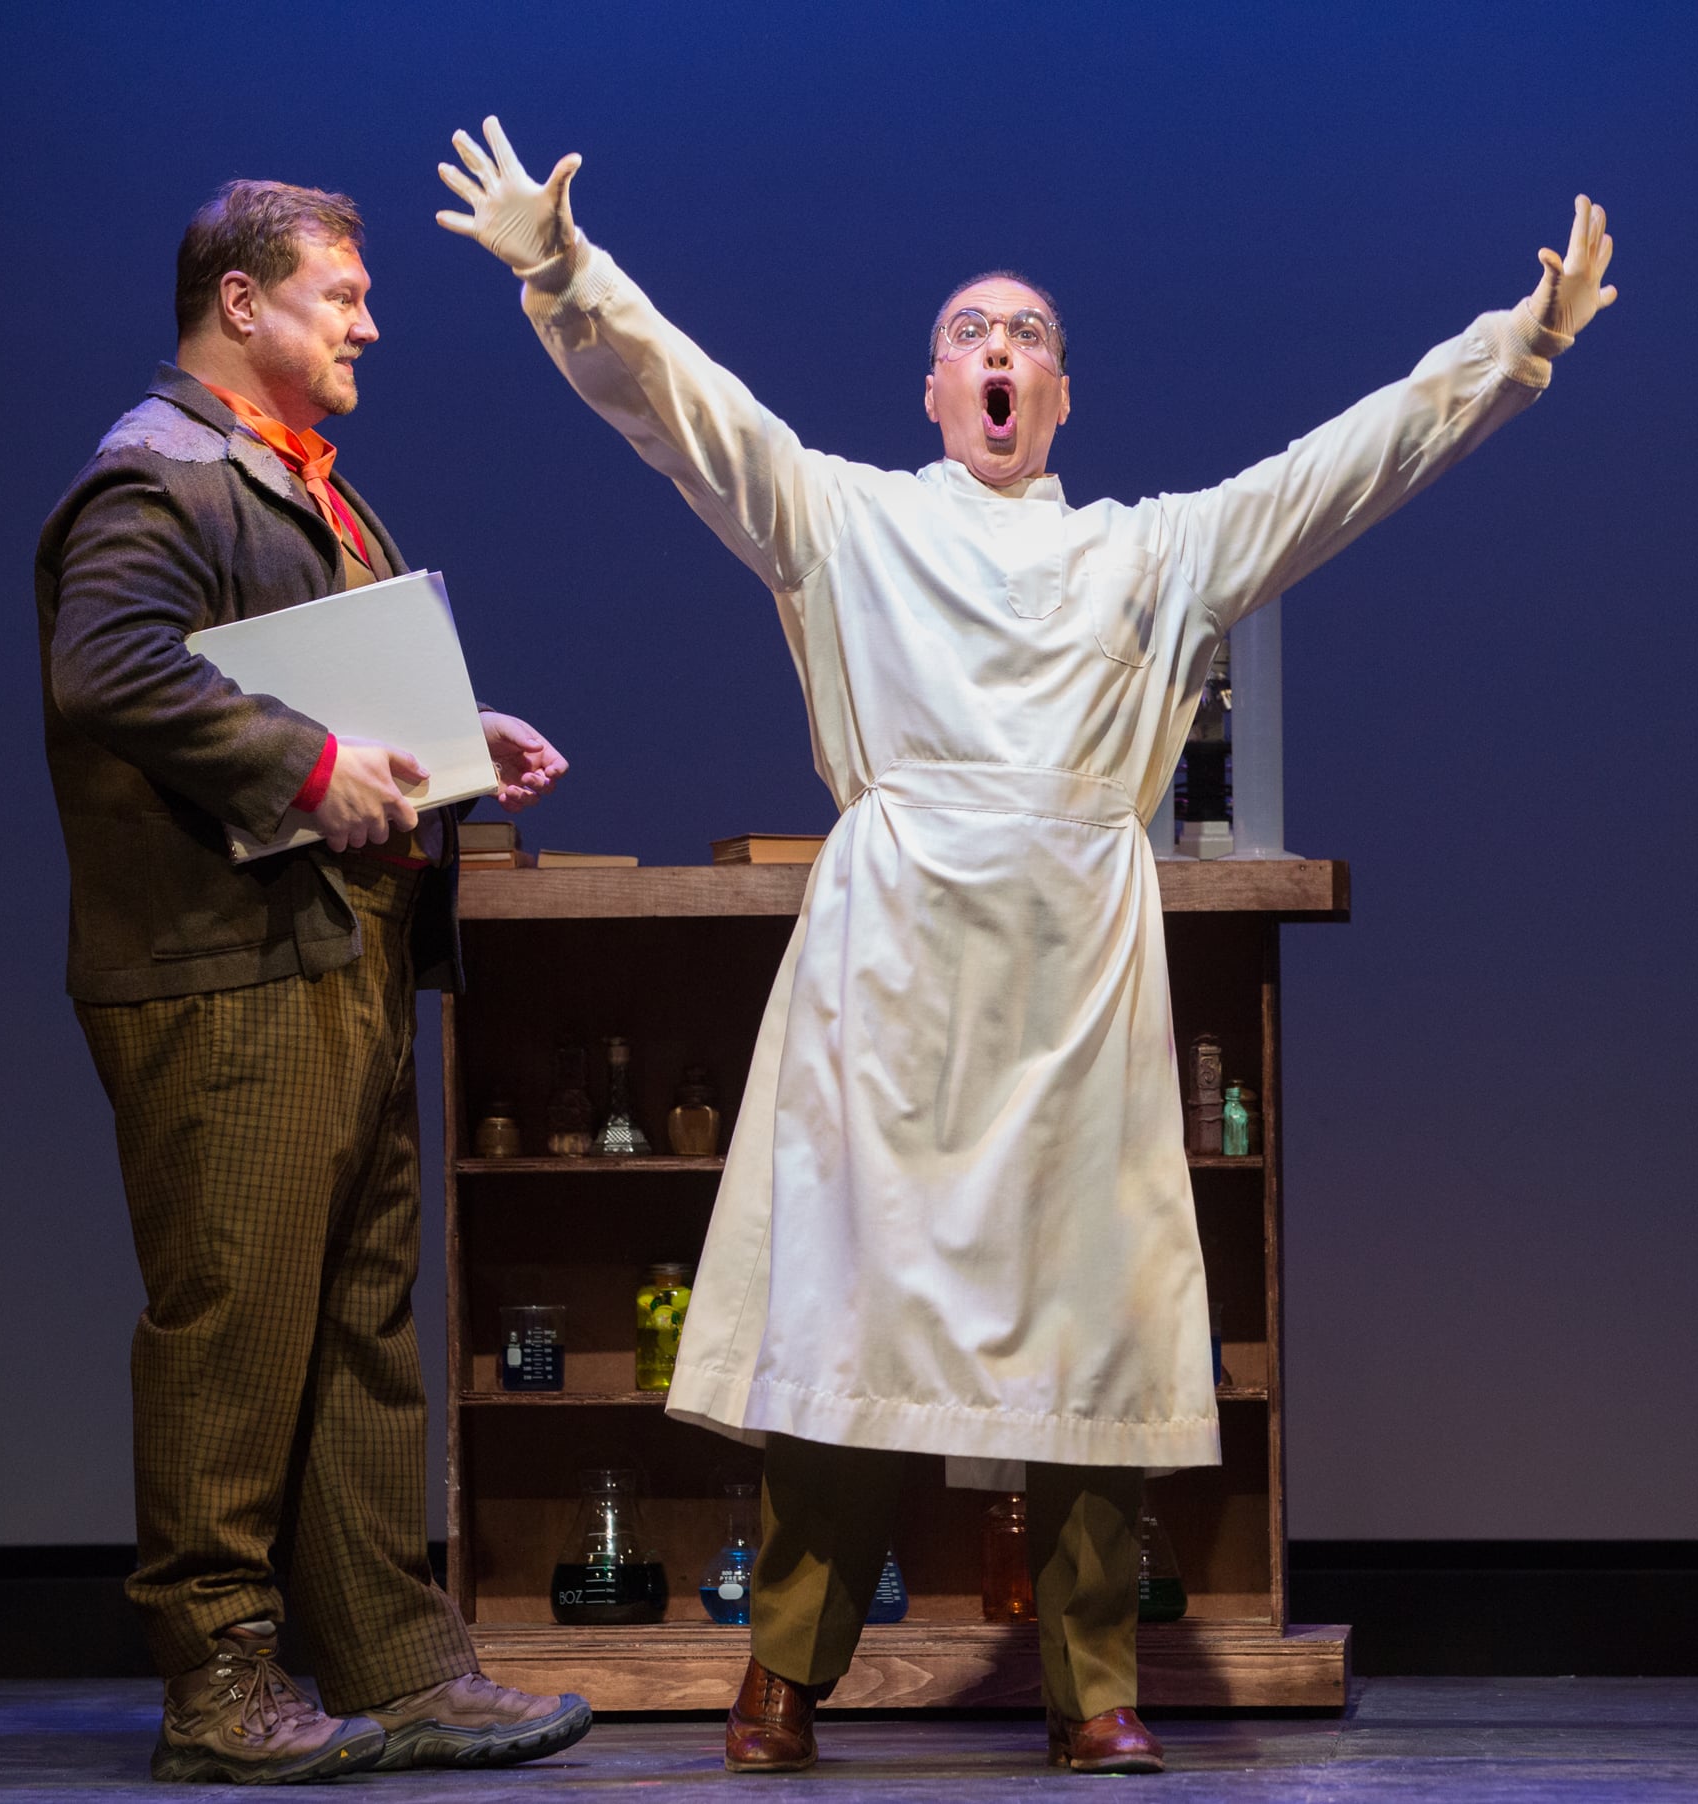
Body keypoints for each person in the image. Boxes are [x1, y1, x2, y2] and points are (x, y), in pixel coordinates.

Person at [438, 116, 1616, 1776]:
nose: (1000, 352)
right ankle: (785, 1671)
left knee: (1088, 1332)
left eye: (1030, 337)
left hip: (1075, 971)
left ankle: (1094, 1685)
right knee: (852, 1326)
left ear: (1061, 395)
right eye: (971, 335)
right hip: (896, 966)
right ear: (934, 389)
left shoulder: (1153, 550)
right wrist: (569, 274)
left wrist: (1518, 345)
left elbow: (1348, 465)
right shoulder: (850, 519)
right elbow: (688, 413)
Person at [36, 179, 591, 1785]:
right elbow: (110, 665)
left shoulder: (307, 491)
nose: (369, 324)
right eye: (341, 294)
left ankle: (396, 1664)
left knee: (357, 1321)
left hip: (336, 956)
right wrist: (307, 761)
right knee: (234, 1323)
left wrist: (445, 745)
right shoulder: (156, 474)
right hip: (225, 973)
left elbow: (325, 690)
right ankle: (218, 1678)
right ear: (240, 303)